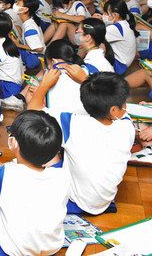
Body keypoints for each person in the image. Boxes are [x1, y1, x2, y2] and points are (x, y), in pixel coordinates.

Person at [0, 110, 68, 256]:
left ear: (12, 142)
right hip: (50, 248)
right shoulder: (61, 175)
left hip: (2, 251)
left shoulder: (6, 175)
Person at [28, 72, 135, 215]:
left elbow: (32, 110)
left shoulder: (73, 123)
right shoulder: (127, 128)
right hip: (103, 202)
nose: (125, 107)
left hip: (75, 202)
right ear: (114, 110)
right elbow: (120, 114)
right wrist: (84, 79)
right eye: (124, 104)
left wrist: (44, 85)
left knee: (50, 150)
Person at [102, 0, 138, 74]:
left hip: (119, 65)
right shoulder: (124, 23)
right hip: (124, 63)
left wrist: (93, 21)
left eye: (105, 13)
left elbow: (94, 37)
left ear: (115, 15)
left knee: (92, 43)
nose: (103, 15)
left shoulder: (115, 28)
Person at [12, 0, 45, 71]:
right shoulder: (29, 21)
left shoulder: (29, 27)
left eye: (18, 3)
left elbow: (39, 48)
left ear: (25, 9)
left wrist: (18, 45)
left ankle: (22, 65)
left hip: (34, 58)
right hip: (34, 55)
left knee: (9, 48)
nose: (15, 4)